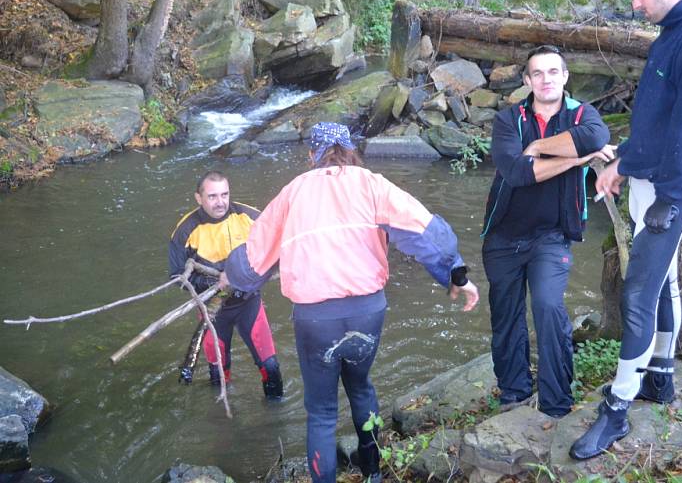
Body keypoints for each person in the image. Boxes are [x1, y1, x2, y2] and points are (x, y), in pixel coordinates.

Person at [220, 122, 480, 483]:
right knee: (361, 387)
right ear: (350, 149)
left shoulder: (294, 191)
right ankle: (373, 474)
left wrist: (229, 276)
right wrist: (455, 274)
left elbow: (252, 263)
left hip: (315, 319)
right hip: (368, 311)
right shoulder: (371, 183)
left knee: (323, 412)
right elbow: (425, 231)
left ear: (313, 155)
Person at [570, 0, 682, 460]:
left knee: (637, 290)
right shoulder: (675, 32)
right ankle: (660, 377)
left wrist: (667, 200)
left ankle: (617, 409)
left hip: (672, 188)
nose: (634, 3)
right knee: (661, 279)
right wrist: (622, 158)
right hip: (650, 175)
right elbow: (659, 119)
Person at [481, 46, 613, 417]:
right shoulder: (509, 120)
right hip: (503, 236)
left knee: (548, 305)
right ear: (527, 81)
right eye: (537, 73)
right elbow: (518, 173)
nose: (546, 79)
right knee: (505, 315)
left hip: (552, 235)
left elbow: (594, 137)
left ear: (565, 77)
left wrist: (538, 147)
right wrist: (579, 159)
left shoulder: (582, 114)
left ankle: (556, 402)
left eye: (553, 72)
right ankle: (514, 393)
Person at [169, 171, 284, 399]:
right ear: (198, 198)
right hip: (212, 311)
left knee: (270, 367)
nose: (220, 202)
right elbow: (177, 276)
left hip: (248, 303)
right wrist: (216, 280)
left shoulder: (249, 216)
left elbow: (278, 247)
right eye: (212, 196)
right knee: (219, 374)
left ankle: (275, 417)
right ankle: (222, 421)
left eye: (224, 194)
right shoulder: (185, 231)